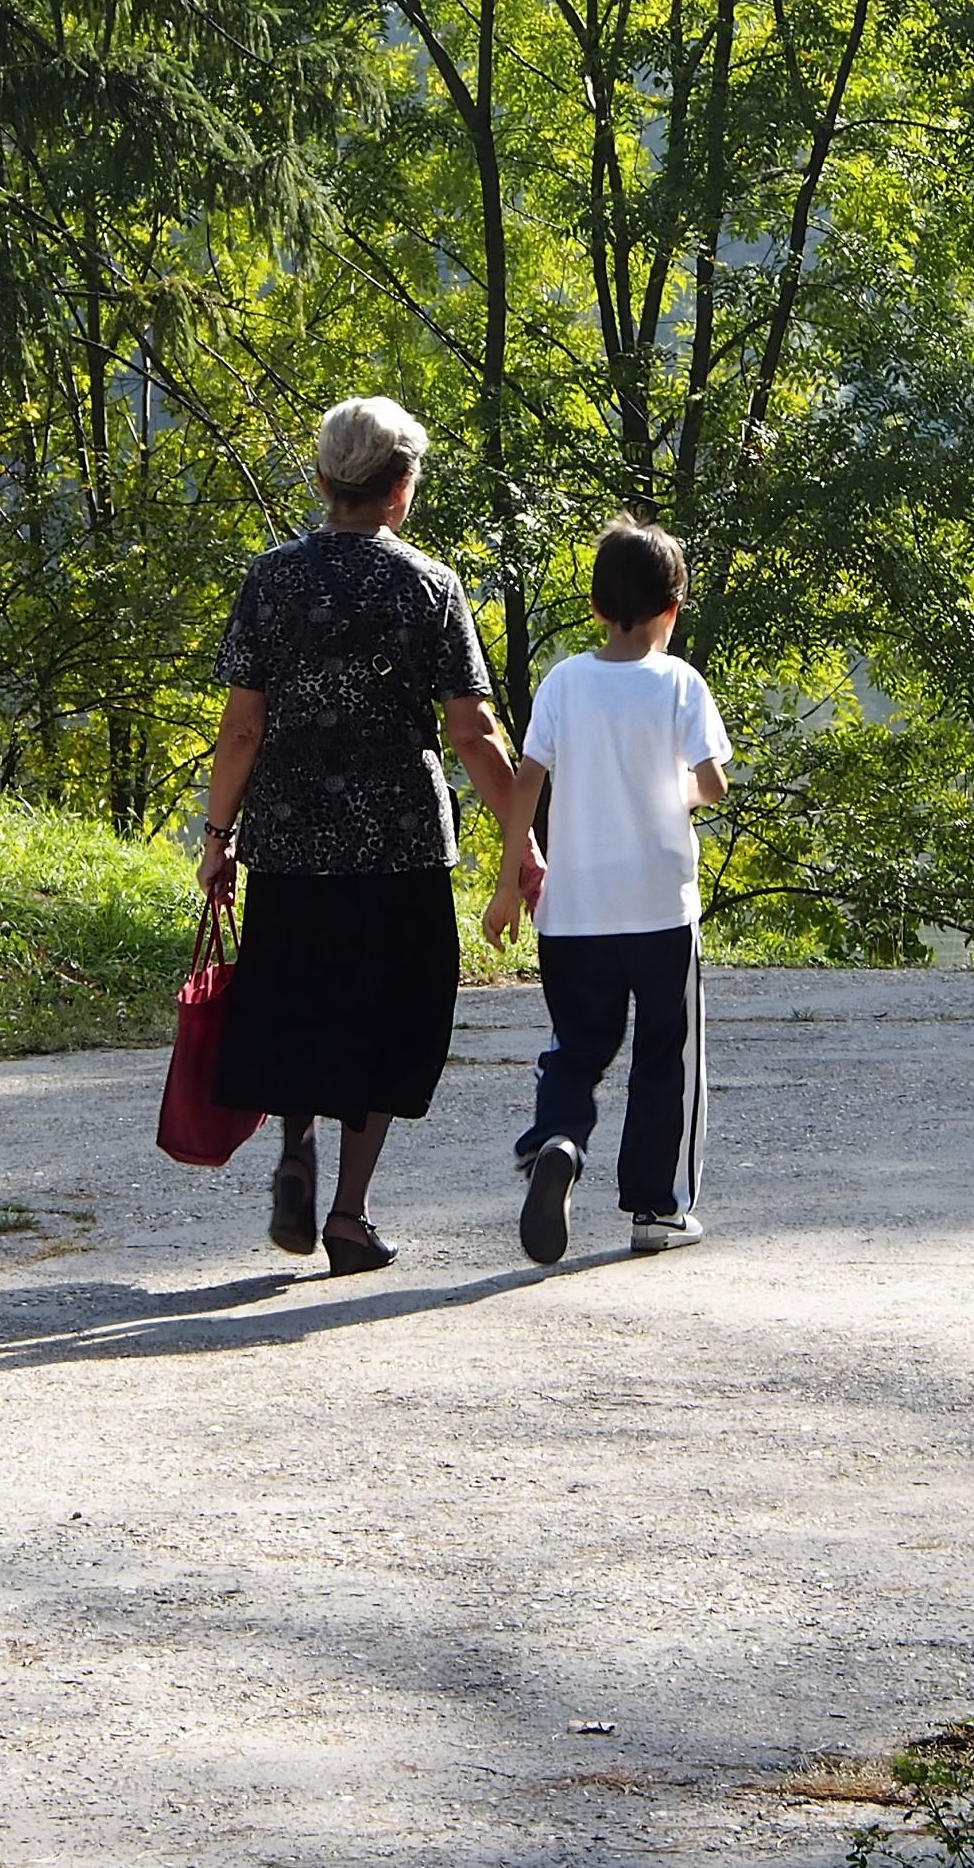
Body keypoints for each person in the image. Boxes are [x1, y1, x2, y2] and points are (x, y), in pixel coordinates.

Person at [196, 399, 518, 1274]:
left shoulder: (272, 580)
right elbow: (473, 734)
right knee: (386, 1020)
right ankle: (347, 1212)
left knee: (298, 1002)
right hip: (400, 844)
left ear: (324, 481)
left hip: (292, 838)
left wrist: (219, 834)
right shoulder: (430, 586)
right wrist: (522, 840)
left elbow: (242, 730)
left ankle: (295, 1146)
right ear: (400, 489)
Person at [479, 517, 731, 1262]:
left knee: (575, 1050)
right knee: (667, 1055)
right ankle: (657, 1207)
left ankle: (557, 1139)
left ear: (595, 607)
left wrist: (504, 887)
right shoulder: (680, 682)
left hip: (573, 911)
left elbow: (526, 784)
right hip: (659, 909)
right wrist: (668, 794)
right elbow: (711, 784)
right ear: (673, 609)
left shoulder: (563, 681)